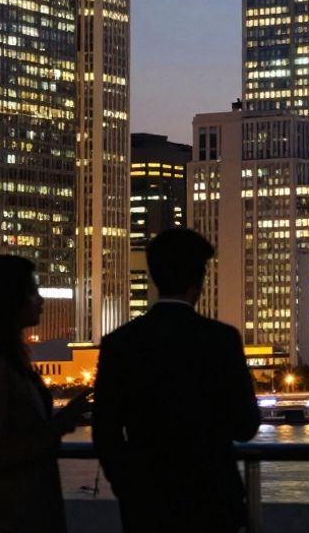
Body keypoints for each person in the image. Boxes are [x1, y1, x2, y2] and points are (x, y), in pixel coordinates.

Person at [93, 228, 260, 532]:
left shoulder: (119, 343)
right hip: (213, 500)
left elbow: (105, 431)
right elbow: (246, 425)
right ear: (199, 281)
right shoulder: (221, 340)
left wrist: (127, 485)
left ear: (155, 277)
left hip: (146, 505)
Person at [0, 255, 91, 533]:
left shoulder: (9, 359)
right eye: (33, 291)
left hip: (22, 505)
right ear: (10, 299)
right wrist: (60, 425)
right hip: (3, 512)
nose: (41, 300)